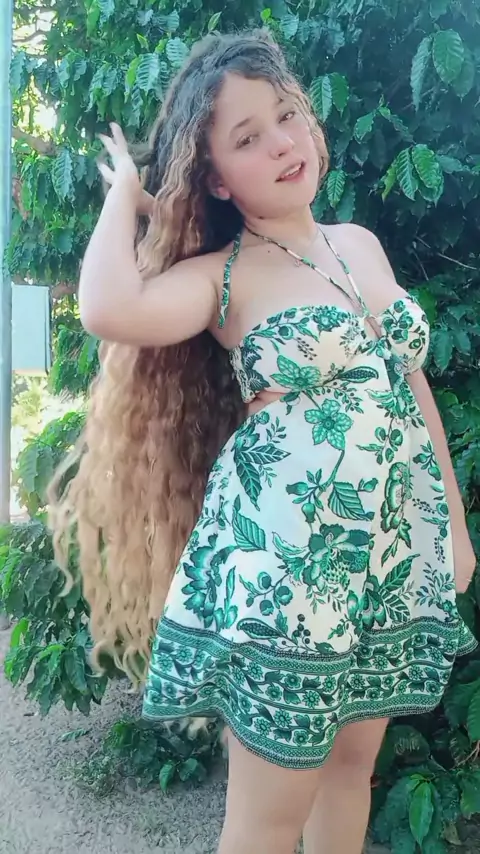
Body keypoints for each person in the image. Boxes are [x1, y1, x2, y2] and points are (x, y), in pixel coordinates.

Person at [49, 29, 476, 854]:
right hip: (289, 578)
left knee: (351, 775)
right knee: (265, 823)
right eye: (247, 138)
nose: (282, 142)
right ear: (215, 178)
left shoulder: (360, 245)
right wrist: (126, 194)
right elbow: (110, 308)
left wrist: (452, 529)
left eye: (285, 115)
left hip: (386, 561)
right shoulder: (225, 276)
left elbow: (410, 381)